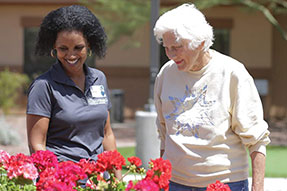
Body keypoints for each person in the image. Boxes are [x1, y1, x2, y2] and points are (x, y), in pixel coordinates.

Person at [153, 3, 270, 191]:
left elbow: (256, 140)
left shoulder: (232, 73)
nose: (171, 55)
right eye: (166, 48)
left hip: (225, 183)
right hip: (175, 183)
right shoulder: (165, 74)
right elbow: (164, 132)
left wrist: (258, 188)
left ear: (200, 43)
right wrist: (161, 181)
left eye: (177, 47)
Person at [26, 5, 120, 178]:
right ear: (53, 47)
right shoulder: (43, 86)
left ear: (89, 45)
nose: (71, 55)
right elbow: (37, 145)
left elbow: (107, 134)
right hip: (63, 179)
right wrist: (56, 180)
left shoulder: (99, 78)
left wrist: (116, 178)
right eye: (63, 48)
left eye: (78, 47)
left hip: (98, 180)